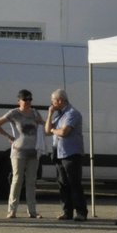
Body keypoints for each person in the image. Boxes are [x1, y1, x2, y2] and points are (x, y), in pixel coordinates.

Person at [0, 89, 43, 219]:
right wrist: (8, 136)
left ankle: (32, 210)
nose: (28, 102)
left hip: (33, 151)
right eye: (25, 99)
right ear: (19, 100)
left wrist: (43, 123)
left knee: (31, 181)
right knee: (17, 179)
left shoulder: (35, 113)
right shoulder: (14, 113)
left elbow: (43, 125)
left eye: (30, 99)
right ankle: (12, 210)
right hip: (19, 152)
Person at [45, 89, 87, 222]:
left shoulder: (72, 113)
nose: (51, 103)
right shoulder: (59, 115)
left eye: (53, 101)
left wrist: (53, 130)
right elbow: (47, 131)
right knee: (62, 184)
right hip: (58, 153)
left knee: (74, 183)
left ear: (60, 100)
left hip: (70, 154)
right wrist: (50, 115)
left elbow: (64, 132)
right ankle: (66, 212)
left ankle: (81, 212)